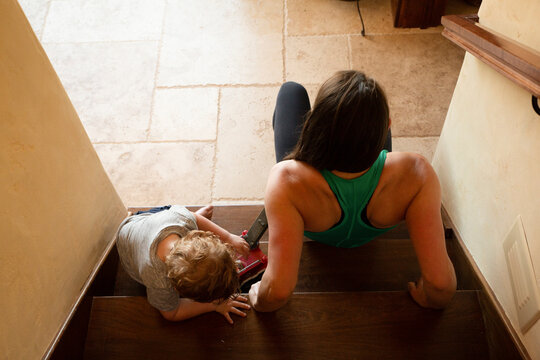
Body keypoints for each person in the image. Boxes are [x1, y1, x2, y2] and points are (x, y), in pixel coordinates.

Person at [248, 70, 457, 312]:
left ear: (314, 125)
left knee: (291, 91)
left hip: (318, 223)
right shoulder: (418, 174)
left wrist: (258, 297)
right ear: (388, 126)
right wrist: (430, 298)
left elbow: (277, 291)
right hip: (375, 217)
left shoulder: (286, 181)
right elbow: (441, 285)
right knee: (367, 113)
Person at [116, 204, 251, 323]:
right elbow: (172, 313)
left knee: (185, 215)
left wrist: (228, 237)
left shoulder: (181, 219)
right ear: (176, 288)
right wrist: (214, 306)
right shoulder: (157, 278)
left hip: (147, 221)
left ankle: (191, 222)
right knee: (184, 216)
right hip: (130, 245)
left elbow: (193, 217)